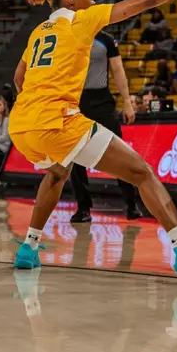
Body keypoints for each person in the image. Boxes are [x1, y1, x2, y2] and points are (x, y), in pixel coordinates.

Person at [9, 0, 177, 275]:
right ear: (70, 0)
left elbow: (19, 78)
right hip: (58, 120)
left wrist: (36, 109)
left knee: (58, 172)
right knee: (141, 172)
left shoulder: (39, 32)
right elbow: (147, 0)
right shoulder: (82, 19)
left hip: (22, 124)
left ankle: (29, 247)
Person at [69, 27, 142, 223]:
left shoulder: (106, 40)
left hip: (101, 99)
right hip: (75, 100)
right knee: (75, 155)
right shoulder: (67, 36)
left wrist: (127, 102)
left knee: (118, 151)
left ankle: (131, 203)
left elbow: (118, 70)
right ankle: (83, 208)